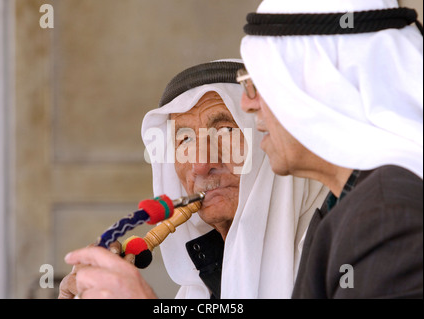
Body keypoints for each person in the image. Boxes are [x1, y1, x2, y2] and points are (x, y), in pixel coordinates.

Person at [61, 60, 328, 299]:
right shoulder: (201, 285)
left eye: (226, 131)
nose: (201, 165)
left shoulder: (334, 255)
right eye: (185, 139)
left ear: (267, 136)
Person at [238, 0, 423, 298]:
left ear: (318, 85)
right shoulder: (353, 202)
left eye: (257, 81)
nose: (247, 103)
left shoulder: (388, 215)